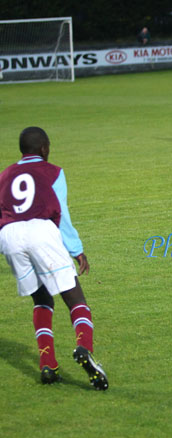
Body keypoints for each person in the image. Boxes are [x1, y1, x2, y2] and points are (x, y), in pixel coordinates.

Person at [0, 127, 109, 389]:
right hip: (41, 231)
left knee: (42, 300)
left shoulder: (4, 175)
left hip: (10, 236)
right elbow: (62, 214)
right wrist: (76, 250)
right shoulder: (53, 172)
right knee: (75, 299)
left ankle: (48, 364)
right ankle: (84, 348)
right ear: (44, 149)